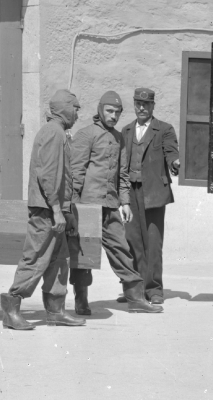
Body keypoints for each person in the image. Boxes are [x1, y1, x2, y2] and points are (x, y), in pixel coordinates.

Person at [68, 91, 162, 314]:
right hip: (86, 207)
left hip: (110, 206)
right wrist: (72, 206)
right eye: (110, 111)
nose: (113, 116)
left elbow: (123, 174)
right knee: (84, 255)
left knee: (122, 250)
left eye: (118, 112)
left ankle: (136, 299)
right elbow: (76, 173)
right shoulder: (85, 134)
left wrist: (125, 202)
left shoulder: (119, 138)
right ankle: (81, 300)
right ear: (100, 109)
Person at [0, 89, 87, 331]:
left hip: (54, 210)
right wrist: (58, 210)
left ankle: (56, 311)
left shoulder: (58, 132)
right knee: (36, 258)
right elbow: (48, 175)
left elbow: (62, 178)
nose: (78, 114)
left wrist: (65, 210)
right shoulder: (53, 133)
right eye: (76, 108)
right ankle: (12, 308)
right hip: (46, 211)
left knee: (59, 262)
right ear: (65, 108)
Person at [119, 88, 180, 305]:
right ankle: (134, 288)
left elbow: (171, 152)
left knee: (153, 241)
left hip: (154, 192)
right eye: (138, 104)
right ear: (134, 105)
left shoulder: (164, 129)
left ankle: (154, 289)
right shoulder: (125, 130)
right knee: (132, 240)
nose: (142, 108)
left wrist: (175, 163)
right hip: (131, 193)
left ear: (153, 106)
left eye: (146, 104)